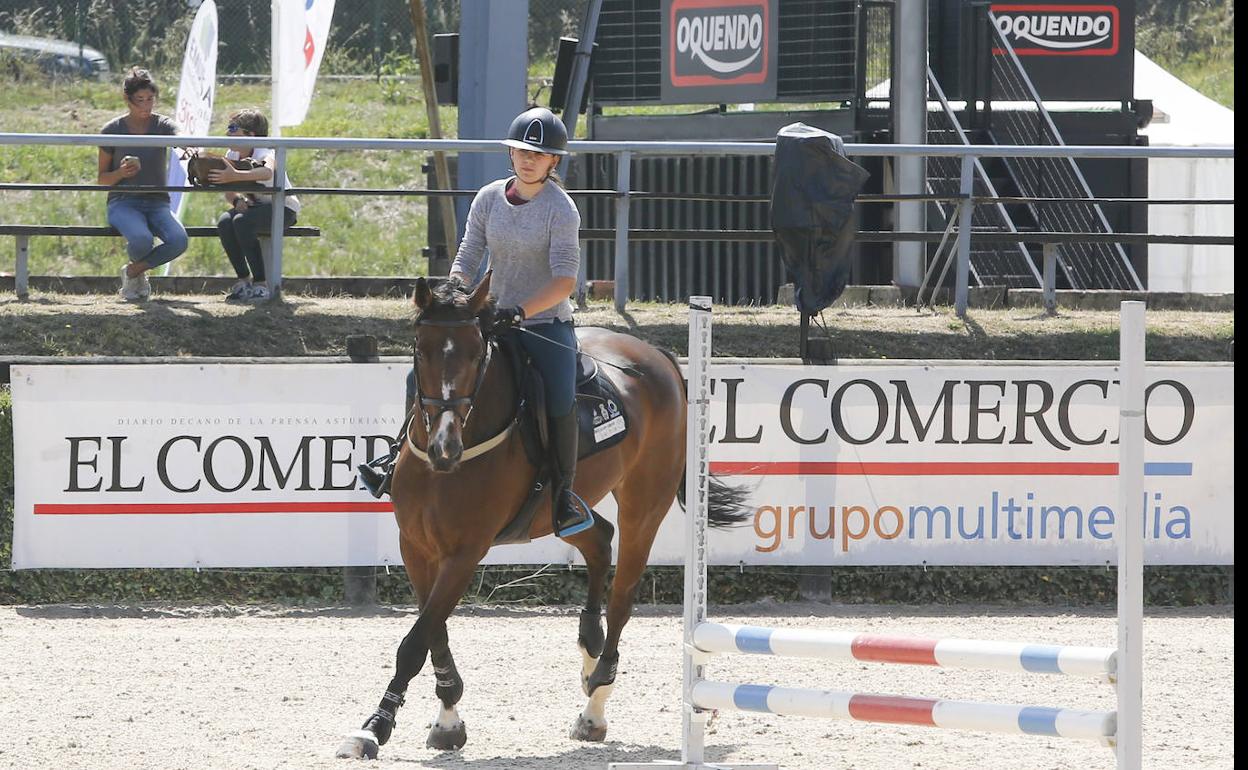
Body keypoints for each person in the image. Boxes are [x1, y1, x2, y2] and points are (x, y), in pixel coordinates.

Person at [358, 106, 593, 539]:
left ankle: (563, 497)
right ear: (510, 151)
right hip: (486, 317)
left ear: (553, 162)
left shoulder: (561, 210)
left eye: (538, 155)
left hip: (543, 324)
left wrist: (521, 310)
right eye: (522, 151)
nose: (528, 160)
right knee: (421, 377)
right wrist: (455, 296)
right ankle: (394, 461)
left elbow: (565, 280)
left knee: (559, 398)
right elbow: (467, 257)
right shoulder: (488, 198)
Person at [98, 66, 188, 301]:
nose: (146, 106)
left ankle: (133, 272)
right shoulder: (111, 130)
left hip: (158, 202)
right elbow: (102, 179)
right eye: (140, 100)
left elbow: (179, 133)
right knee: (141, 238)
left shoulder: (162, 124)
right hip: (123, 202)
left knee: (179, 240)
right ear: (127, 100)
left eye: (151, 99)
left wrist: (186, 142)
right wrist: (121, 172)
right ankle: (136, 278)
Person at [213, 108, 301, 302]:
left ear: (250, 135)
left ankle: (261, 284)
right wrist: (237, 200)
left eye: (233, 128)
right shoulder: (233, 153)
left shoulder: (265, 151)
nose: (228, 133)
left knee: (242, 222)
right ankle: (244, 281)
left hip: (283, 209)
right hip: (257, 207)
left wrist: (236, 176)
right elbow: (229, 190)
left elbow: (266, 172)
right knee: (225, 222)